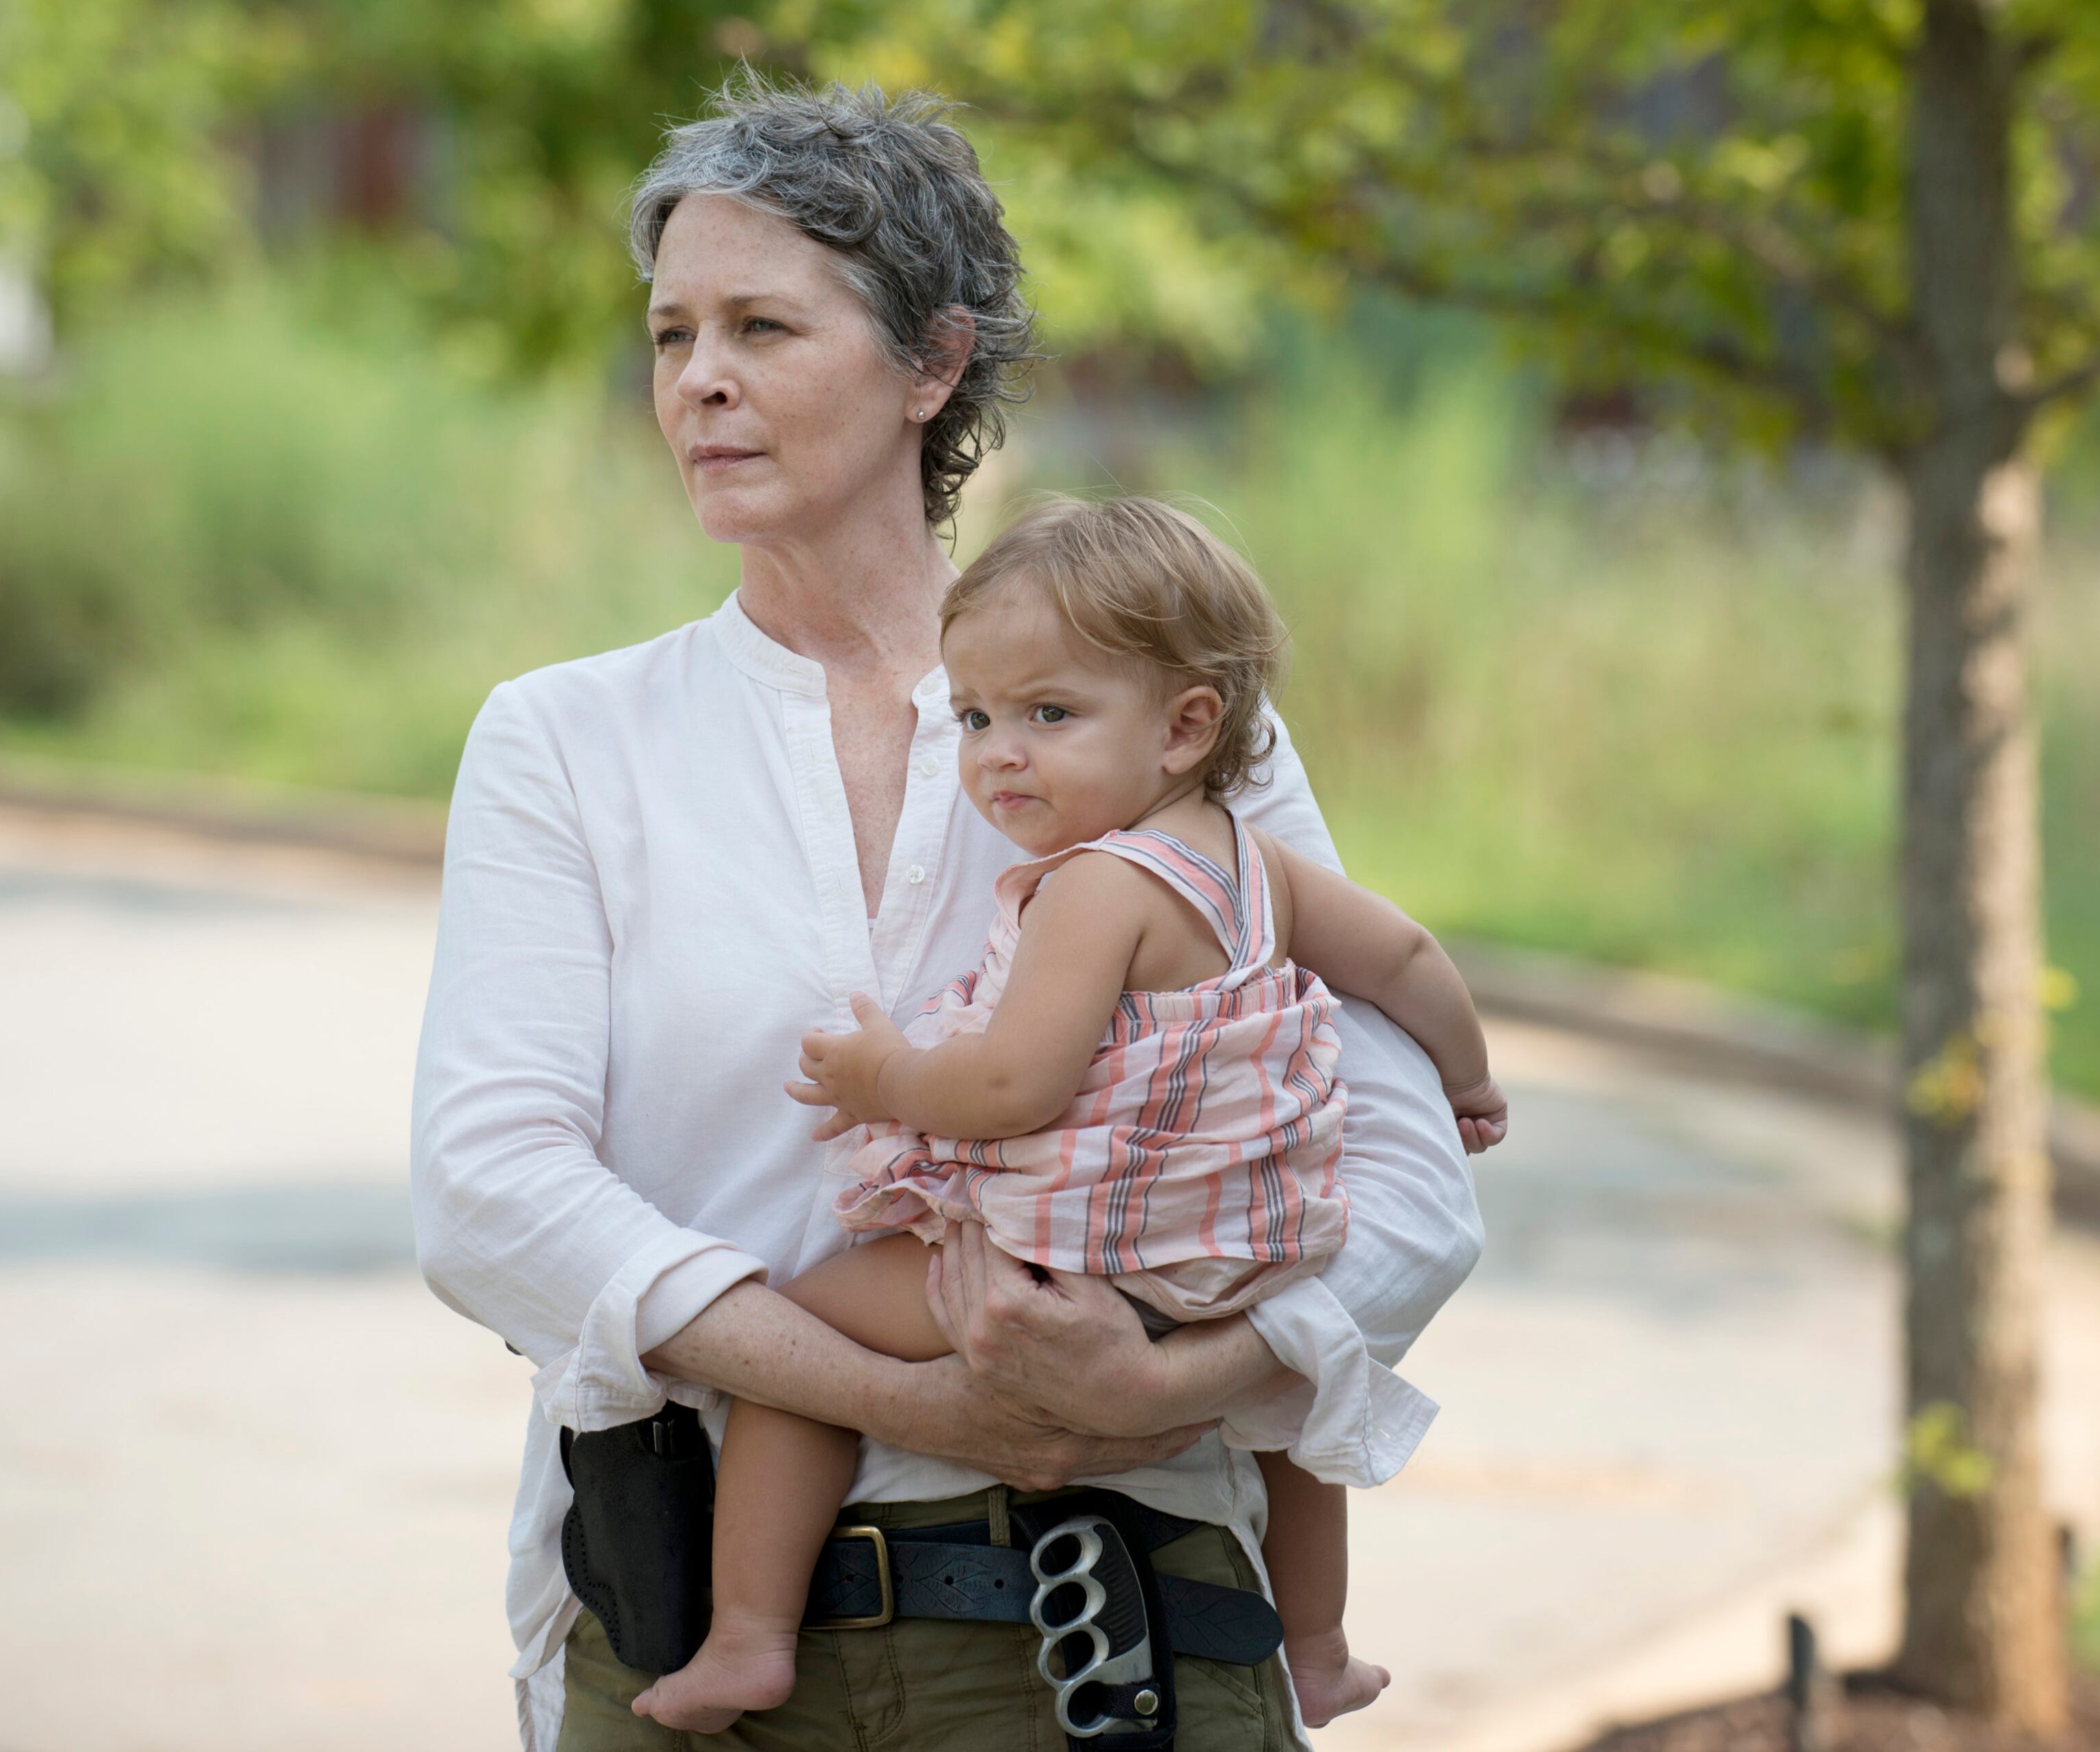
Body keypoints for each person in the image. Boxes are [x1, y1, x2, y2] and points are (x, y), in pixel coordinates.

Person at [411, 75, 1484, 1752]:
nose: (698, 379)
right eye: (672, 332)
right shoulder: (564, 739)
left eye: (763, 326)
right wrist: (916, 1396)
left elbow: (1410, 1186)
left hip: (1108, 1640)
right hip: (682, 1649)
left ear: (933, 363)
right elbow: (490, 1192)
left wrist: (1162, 1385)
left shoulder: (1152, 731)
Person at [630, 496, 1510, 1734]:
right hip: (1244, 1252)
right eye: (976, 717)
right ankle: (1316, 1647)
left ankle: (748, 1638)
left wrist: (884, 1076)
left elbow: (1013, 1088)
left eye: (1049, 715)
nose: (1000, 754)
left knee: (801, 1347)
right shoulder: (1257, 866)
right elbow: (1407, 958)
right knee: (1288, 1404)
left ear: (1186, 726)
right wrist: (1468, 1079)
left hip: (1080, 1258)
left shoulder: (1097, 889)